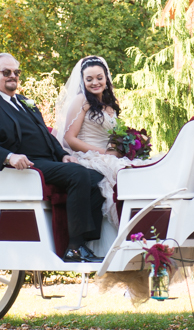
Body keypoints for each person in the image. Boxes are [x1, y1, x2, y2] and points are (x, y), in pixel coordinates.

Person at [0, 52, 105, 263]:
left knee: (96, 178)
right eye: (6, 72)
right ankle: (74, 249)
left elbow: (44, 133)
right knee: (79, 175)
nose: (12, 76)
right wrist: (9, 157)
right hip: (26, 166)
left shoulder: (24, 101)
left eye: (16, 72)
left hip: (48, 161)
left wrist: (62, 155)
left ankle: (85, 242)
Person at [53, 56, 152, 230]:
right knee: (121, 175)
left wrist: (129, 145)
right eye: (89, 79)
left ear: (106, 78)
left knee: (144, 170)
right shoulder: (81, 100)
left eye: (99, 77)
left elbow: (113, 137)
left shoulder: (109, 105)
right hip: (88, 156)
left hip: (109, 155)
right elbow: (69, 139)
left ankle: (143, 226)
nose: (95, 82)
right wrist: (104, 153)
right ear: (83, 81)